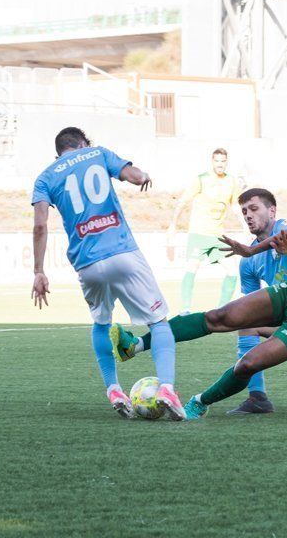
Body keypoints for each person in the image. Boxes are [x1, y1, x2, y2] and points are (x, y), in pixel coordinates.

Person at [113, 188, 287, 417]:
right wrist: (250, 252)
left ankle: (198, 403)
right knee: (219, 317)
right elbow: (285, 236)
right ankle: (135, 345)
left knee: (252, 363)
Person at [30, 126, 185, 420]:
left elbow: (40, 225)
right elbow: (134, 176)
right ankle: (166, 388)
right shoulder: (98, 153)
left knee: (101, 323)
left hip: (86, 264)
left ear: (58, 152)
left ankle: (114, 389)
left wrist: (38, 271)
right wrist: (145, 175)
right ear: (84, 143)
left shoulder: (45, 176)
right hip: (122, 252)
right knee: (158, 322)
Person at [167, 148, 244, 314]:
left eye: (223, 161)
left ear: (226, 162)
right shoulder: (200, 180)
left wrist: (245, 226)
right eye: (217, 161)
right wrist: (173, 224)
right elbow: (182, 202)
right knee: (191, 268)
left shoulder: (231, 181)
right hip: (199, 234)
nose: (220, 164)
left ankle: (221, 310)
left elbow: (235, 205)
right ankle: (185, 310)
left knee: (232, 271)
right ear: (212, 161)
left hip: (218, 235)